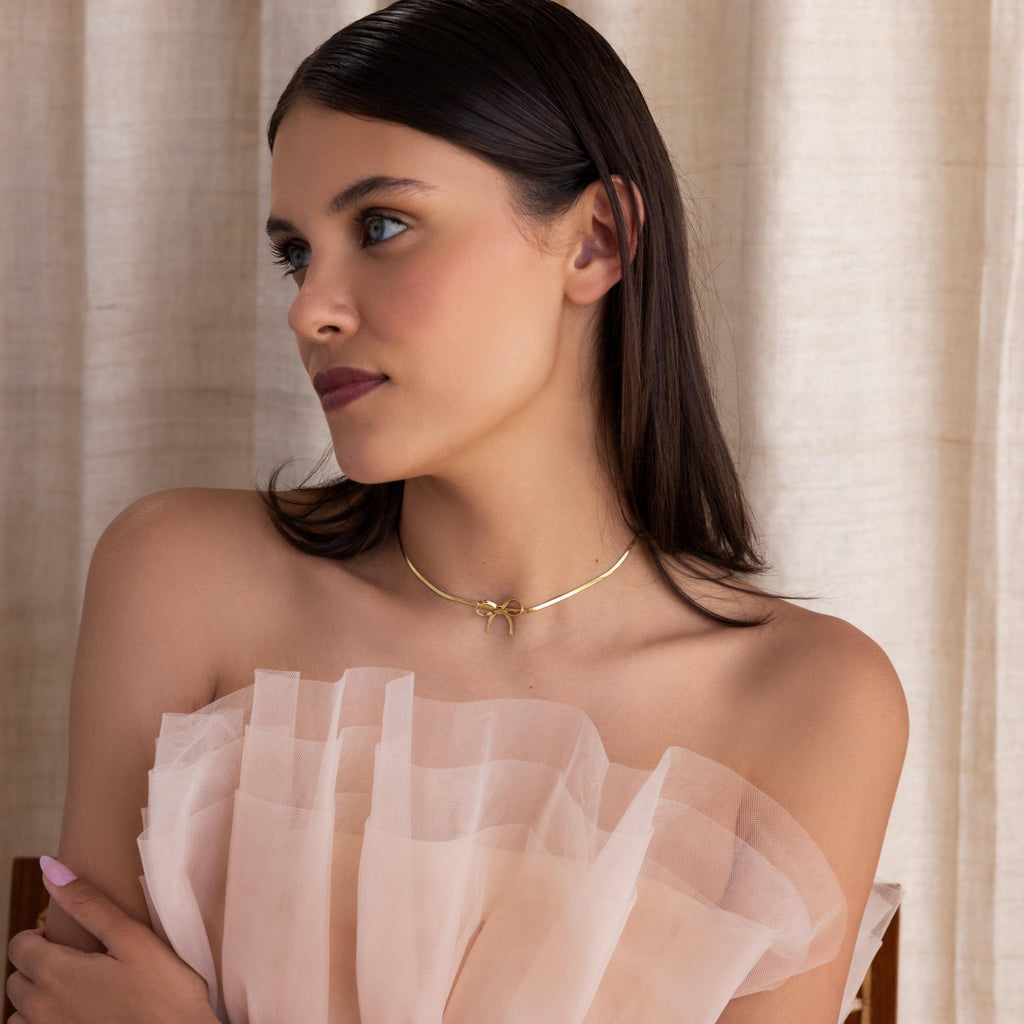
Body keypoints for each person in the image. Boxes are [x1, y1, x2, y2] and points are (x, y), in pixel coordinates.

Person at [6, 0, 908, 1021]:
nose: (310, 308)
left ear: (596, 241)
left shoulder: (811, 698)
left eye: (381, 226)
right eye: (297, 253)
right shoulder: (181, 579)